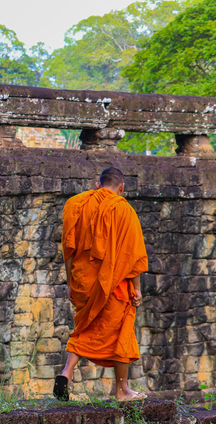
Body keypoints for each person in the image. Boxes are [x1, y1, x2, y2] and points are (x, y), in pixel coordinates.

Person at [53, 167, 148, 402]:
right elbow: (132, 255)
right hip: (114, 285)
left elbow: (69, 248)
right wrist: (136, 288)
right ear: (121, 188)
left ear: (98, 184)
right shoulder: (124, 209)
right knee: (120, 335)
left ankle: (66, 372)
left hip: (84, 282)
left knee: (84, 328)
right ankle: (121, 390)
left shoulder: (77, 204)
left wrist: (70, 283)